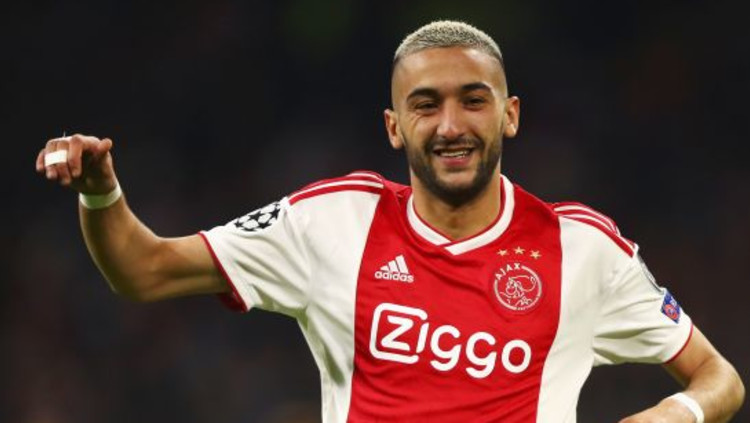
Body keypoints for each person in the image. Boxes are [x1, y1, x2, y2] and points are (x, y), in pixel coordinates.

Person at [36, 20, 743, 423]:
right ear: (394, 126)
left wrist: (673, 415)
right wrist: (101, 191)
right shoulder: (330, 221)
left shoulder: (583, 247)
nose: (451, 125)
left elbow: (720, 379)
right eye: (426, 105)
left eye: (473, 100)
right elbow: (143, 269)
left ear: (510, 114)